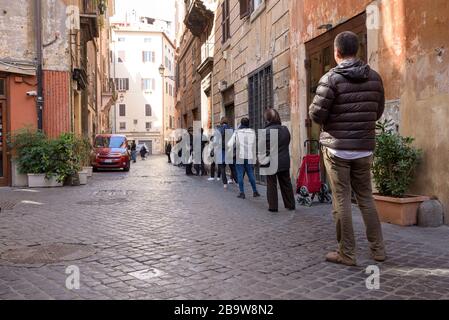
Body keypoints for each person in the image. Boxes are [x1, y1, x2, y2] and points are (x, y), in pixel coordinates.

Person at [309, 31, 386, 266]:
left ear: (336, 53)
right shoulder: (374, 77)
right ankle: (378, 250)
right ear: (358, 51)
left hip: (337, 149)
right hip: (364, 147)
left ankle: (347, 253)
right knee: (366, 198)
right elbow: (378, 111)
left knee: (341, 199)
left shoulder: (331, 78)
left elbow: (316, 113)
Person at [259, 109, 295, 212]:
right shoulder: (285, 129)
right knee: (286, 184)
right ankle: (290, 204)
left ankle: (273, 207)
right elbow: (287, 142)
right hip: (284, 160)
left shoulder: (265, 132)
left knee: (271, 184)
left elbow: (261, 149)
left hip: (270, 161)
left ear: (267, 119)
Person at [229, 117, 260, 199]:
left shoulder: (237, 132)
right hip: (249, 155)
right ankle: (255, 191)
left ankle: (242, 193)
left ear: (241, 124)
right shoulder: (252, 132)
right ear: (248, 124)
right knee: (250, 173)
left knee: (239, 173)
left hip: (239, 155)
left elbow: (229, 144)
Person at [217, 117, 237, 189]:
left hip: (222, 150)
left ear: (221, 122)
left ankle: (225, 184)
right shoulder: (232, 129)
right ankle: (237, 181)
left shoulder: (219, 129)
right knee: (232, 167)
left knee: (222, 167)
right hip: (229, 150)